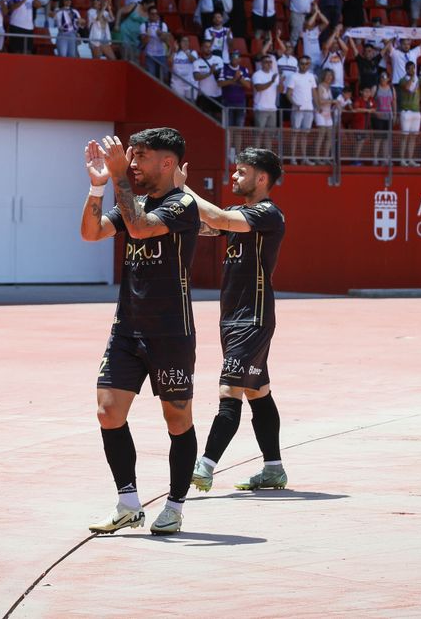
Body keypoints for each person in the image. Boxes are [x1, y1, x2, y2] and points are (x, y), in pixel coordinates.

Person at [80, 129, 201, 537]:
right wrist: (98, 186)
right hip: (127, 329)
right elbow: (91, 232)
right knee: (108, 411)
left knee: (177, 418)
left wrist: (117, 178)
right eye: (130, 156)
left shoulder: (182, 204)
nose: (132, 163)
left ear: (167, 163)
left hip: (171, 333)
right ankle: (128, 503)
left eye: (141, 157)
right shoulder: (136, 200)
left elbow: (140, 229)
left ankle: (175, 504)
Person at [169, 149, 291, 493]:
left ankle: (204, 466)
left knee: (229, 390)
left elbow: (219, 219)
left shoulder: (269, 214)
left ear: (262, 179)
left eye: (241, 172)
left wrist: (184, 189)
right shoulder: (239, 212)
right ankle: (274, 469)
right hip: (233, 318)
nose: (233, 178)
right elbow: (209, 224)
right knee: (258, 390)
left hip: (253, 317)